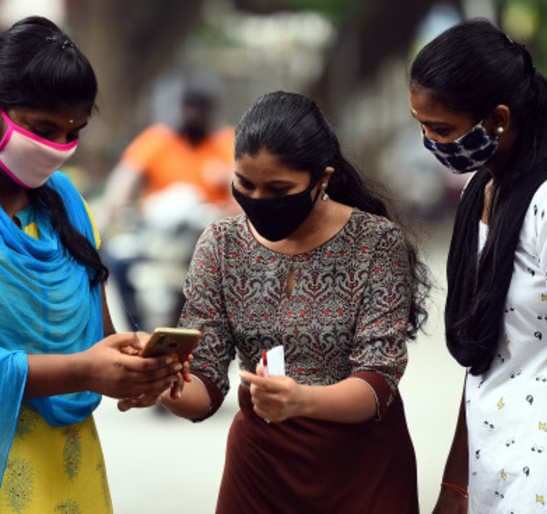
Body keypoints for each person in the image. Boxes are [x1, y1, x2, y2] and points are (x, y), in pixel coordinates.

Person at [0, 17, 186, 513]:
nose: (59, 147)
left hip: (69, 471)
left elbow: (96, 334)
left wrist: (136, 364)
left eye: (74, 132)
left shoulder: (64, 201)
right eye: (44, 128)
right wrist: (85, 370)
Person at [119, 91, 431, 513]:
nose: (259, 200)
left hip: (361, 472)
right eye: (245, 185)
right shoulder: (221, 244)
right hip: (260, 472)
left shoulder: (375, 243)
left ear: (321, 180)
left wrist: (300, 401)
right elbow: (205, 386)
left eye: (279, 188)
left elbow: (378, 381)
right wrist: (159, 383)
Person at [409, 20, 547, 514]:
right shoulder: (482, 192)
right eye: (420, 124)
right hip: (496, 476)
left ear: (498, 118)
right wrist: (454, 488)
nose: (429, 141)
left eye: (440, 128)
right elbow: (481, 359)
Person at [96, 78, 237, 329]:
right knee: (118, 258)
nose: (192, 114)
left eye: (199, 108)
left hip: (207, 238)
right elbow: (125, 179)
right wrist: (109, 214)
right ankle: (139, 331)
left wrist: (226, 178)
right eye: (188, 107)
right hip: (157, 236)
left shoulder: (226, 143)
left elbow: (245, 190)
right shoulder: (157, 140)